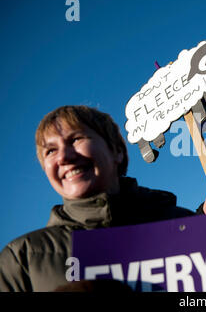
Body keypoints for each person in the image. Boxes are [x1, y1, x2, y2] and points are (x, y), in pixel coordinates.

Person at [0, 105, 194, 292]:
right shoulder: (21, 258)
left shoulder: (187, 226)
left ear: (117, 151)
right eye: (50, 151)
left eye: (76, 139)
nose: (64, 157)